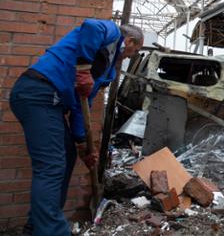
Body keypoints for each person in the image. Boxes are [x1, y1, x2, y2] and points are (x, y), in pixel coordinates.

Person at [10, 20, 144, 236]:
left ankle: (37, 226)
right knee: (51, 166)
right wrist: (82, 69)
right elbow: (91, 26)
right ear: (129, 41)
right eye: (134, 50)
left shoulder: (106, 67)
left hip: (52, 103)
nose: (131, 56)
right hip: (38, 93)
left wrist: (82, 143)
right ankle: (52, 231)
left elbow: (82, 105)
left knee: (67, 156)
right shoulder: (110, 33)